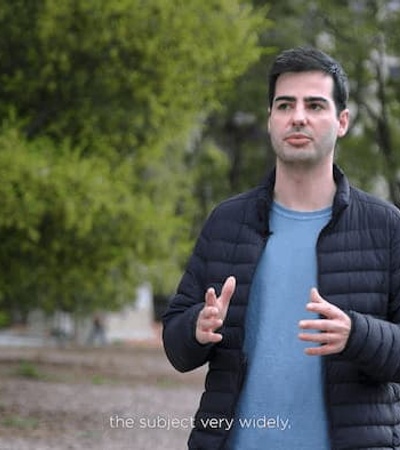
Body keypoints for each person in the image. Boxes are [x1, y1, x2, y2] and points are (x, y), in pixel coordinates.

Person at [162, 46, 400, 449]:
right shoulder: (228, 223)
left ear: (342, 121)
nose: (299, 116)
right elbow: (176, 345)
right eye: (285, 104)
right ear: (270, 119)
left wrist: (357, 333)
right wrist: (198, 329)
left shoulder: (386, 226)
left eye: (315, 105)